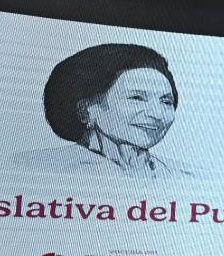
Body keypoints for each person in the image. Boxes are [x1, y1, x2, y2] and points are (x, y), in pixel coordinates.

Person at [14, 43, 195, 178]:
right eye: (137, 98)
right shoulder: (35, 168)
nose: (157, 115)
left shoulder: (185, 176)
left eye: (166, 101)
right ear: (86, 110)